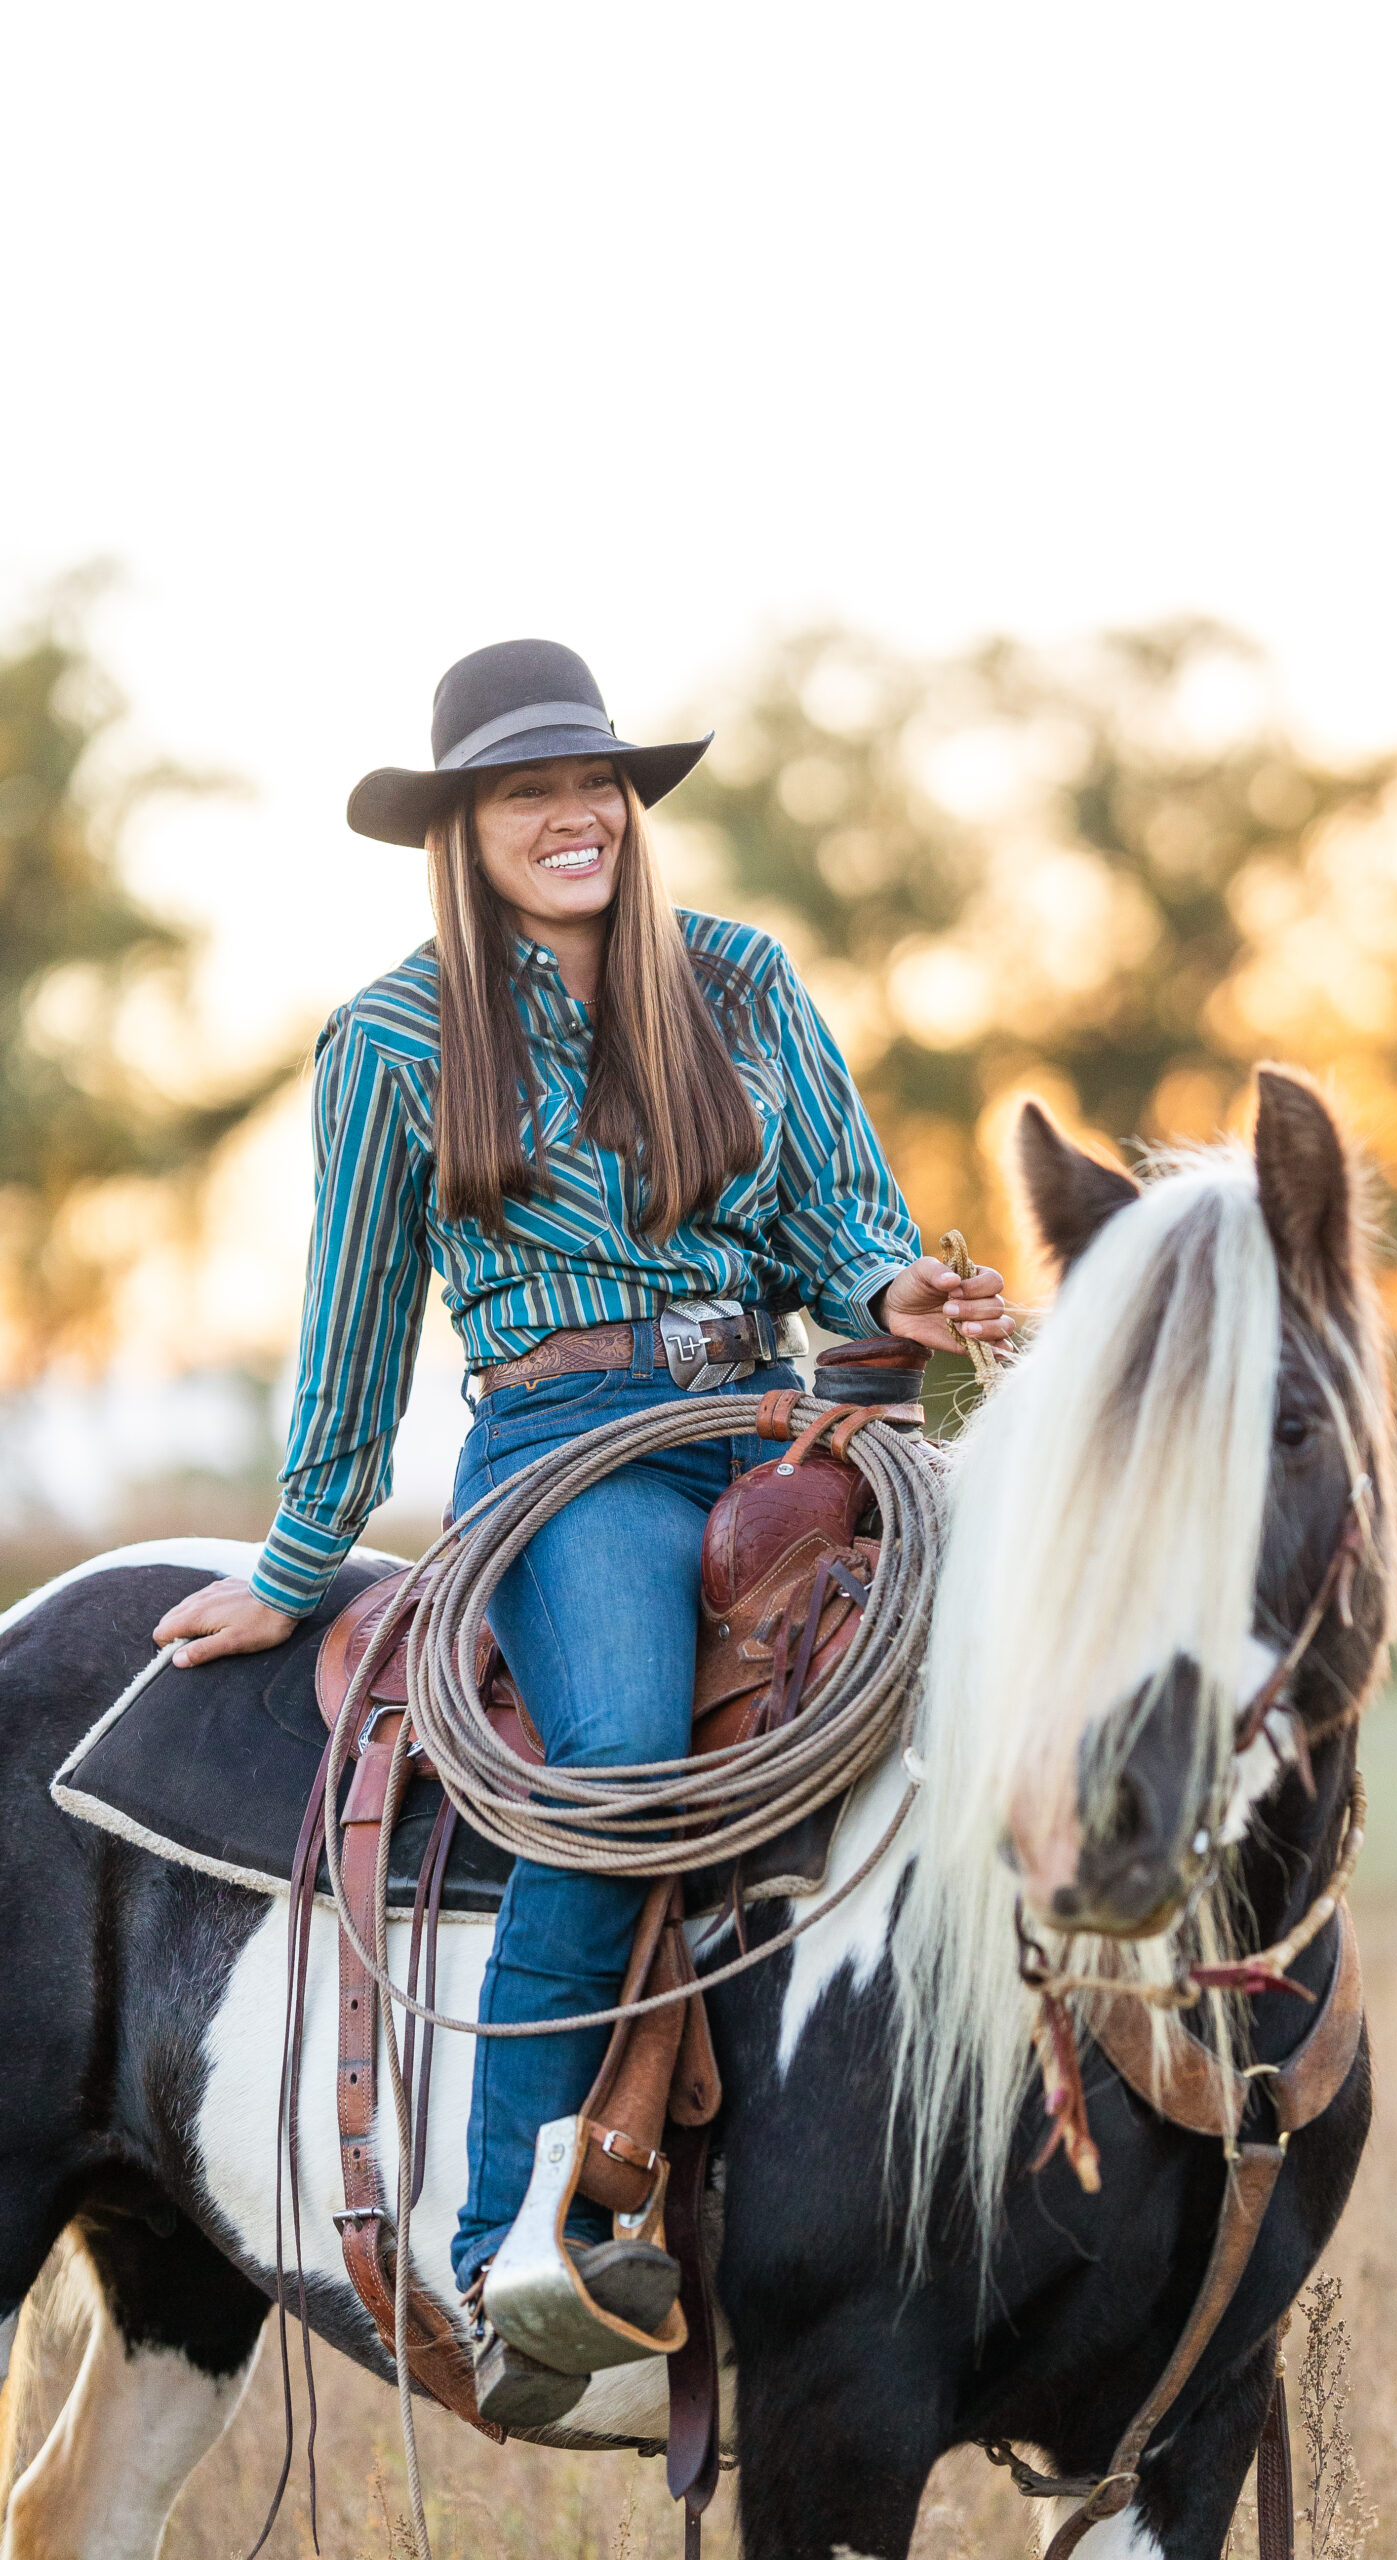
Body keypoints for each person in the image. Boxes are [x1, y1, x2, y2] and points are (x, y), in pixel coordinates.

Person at [152, 637, 1010, 2371]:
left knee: (1011, 1676)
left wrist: (898, 1298)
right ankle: (502, 2245)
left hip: (780, 1416)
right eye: (526, 791)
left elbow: (844, 1221)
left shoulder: (742, 980)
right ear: (461, 831)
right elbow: (355, 1320)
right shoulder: (394, 1040)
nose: (572, 814)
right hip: (568, 1441)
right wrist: (300, 1558)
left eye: (594, 782)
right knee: (617, 1750)